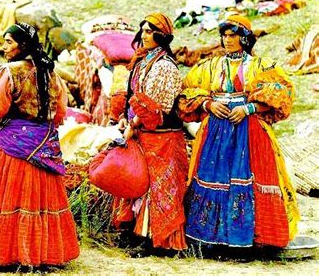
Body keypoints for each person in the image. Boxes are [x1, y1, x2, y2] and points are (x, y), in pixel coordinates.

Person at [0, 22, 80, 268]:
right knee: (40, 199)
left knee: (9, 195)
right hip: (43, 143)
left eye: (9, 42)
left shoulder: (9, 72)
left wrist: (0, 122)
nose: (4, 47)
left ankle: (8, 252)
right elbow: (59, 111)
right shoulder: (50, 73)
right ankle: (43, 253)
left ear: (22, 46)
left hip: (14, 145)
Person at [178, 14, 299, 248]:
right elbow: (186, 93)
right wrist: (208, 104)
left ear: (244, 39)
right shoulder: (210, 67)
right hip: (215, 131)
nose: (227, 40)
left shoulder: (260, 66)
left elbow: (283, 92)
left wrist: (249, 107)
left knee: (249, 178)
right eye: (224, 35)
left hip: (250, 131)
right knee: (215, 178)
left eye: (233, 35)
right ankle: (211, 240)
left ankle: (250, 240)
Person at [113, 13, 188, 252]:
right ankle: (138, 232)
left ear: (162, 36)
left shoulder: (164, 66)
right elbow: (131, 97)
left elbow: (157, 106)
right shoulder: (142, 61)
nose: (144, 35)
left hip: (162, 136)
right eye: (143, 30)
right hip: (143, 133)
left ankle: (159, 240)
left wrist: (133, 123)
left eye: (149, 31)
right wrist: (125, 119)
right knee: (140, 183)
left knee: (160, 187)